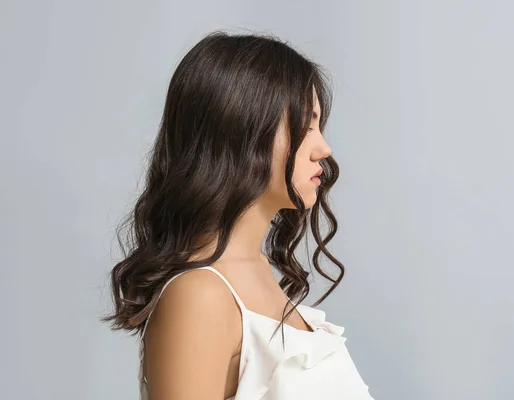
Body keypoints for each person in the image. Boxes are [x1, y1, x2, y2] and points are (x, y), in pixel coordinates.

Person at [102, 30, 374, 400]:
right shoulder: (200, 296)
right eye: (305, 124)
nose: (323, 147)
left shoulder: (257, 271)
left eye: (319, 125)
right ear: (242, 129)